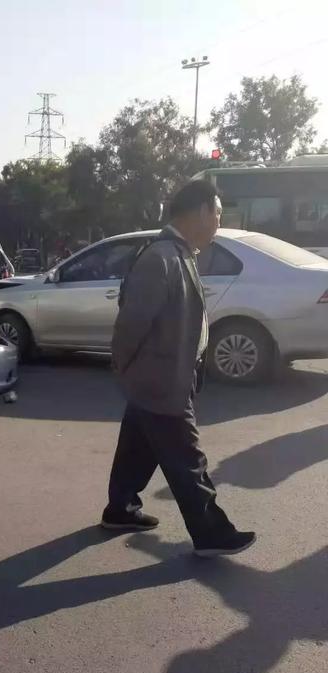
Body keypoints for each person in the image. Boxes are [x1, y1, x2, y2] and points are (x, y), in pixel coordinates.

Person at [103, 180, 255, 558]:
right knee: (188, 460)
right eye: (217, 213)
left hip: (165, 377)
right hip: (161, 380)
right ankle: (212, 534)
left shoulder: (181, 253)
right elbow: (131, 324)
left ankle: (120, 509)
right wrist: (125, 367)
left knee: (138, 447)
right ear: (201, 211)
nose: (219, 222)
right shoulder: (161, 257)